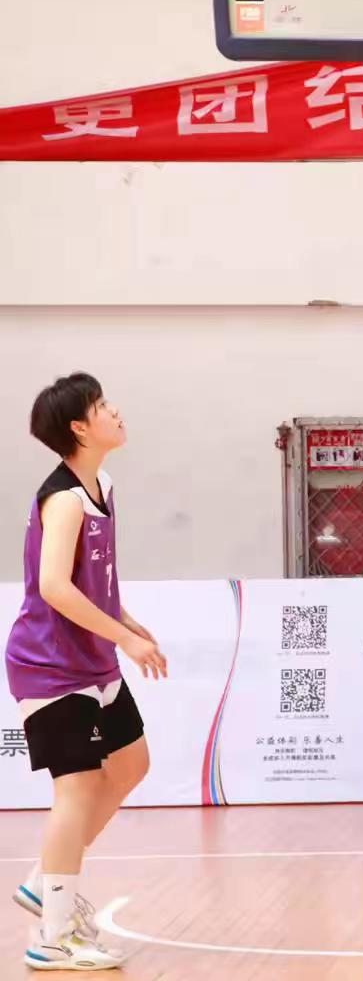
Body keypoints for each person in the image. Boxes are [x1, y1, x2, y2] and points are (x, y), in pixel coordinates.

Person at [7, 373, 168, 971]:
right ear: (79, 427)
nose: (115, 410)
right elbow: (53, 586)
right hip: (50, 666)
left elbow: (93, 579)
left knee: (130, 765)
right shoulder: (65, 500)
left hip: (92, 658)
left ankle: (42, 881)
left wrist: (127, 621)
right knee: (75, 787)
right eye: (102, 406)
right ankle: (53, 937)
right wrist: (125, 639)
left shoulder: (101, 485)